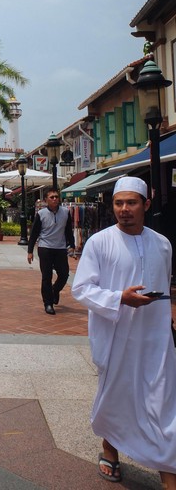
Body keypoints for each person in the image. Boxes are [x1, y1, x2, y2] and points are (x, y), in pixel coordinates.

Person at [72, 177, 176, 487]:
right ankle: (110, 448)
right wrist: (120, 298)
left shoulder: (163, 243)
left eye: (131, 202)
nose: (124, 209)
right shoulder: (99, 242)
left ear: (146, 205)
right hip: (116, 335)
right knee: (117, 396)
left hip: (156, 338)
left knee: (162, 402)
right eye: (119, 203)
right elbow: (81, 289)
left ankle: (168, 472)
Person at [27, 185, 75, 315]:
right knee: (46, 277)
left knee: (64, 274)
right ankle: (48, 303)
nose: (54, 199)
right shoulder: (41, 214)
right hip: (45, 248)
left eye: (56, 197)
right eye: (51, 197)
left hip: (60, 248)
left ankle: (55, 290)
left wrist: (72, 245)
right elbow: (34, 233)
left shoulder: (65, 212)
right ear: (46, 200)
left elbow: (68, 230)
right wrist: (30, 251)